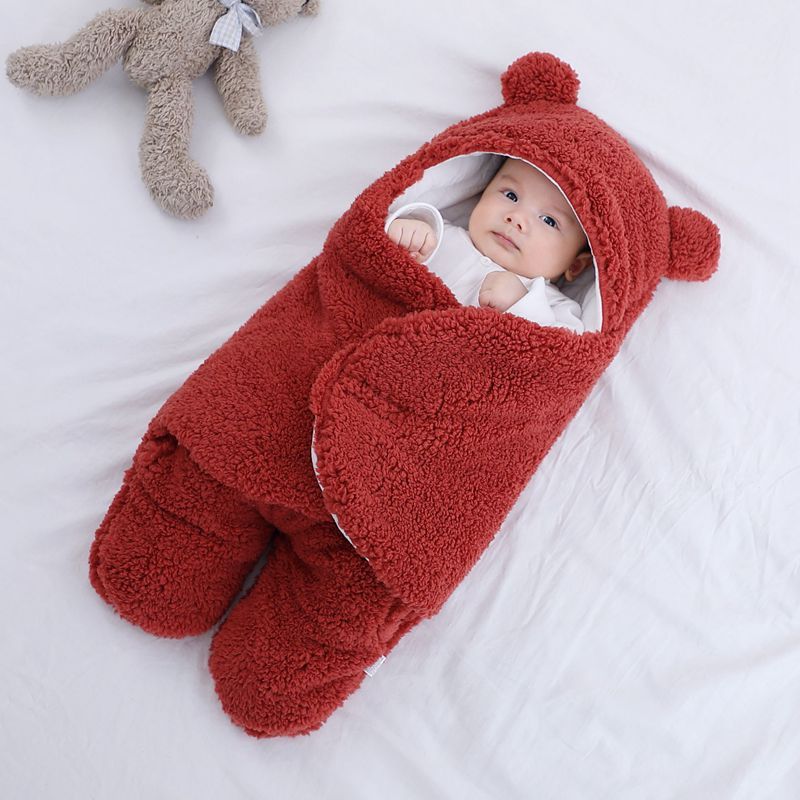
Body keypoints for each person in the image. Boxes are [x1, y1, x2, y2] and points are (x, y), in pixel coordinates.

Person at [386, 156, 594, 331]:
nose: (516, 218)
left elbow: (560, 358)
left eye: (549, 221)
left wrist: (521, 306)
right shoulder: (438, 236)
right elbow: (376, 255)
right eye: (511, 195)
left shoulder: (553, 306)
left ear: (575, 266)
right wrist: (404, 229)